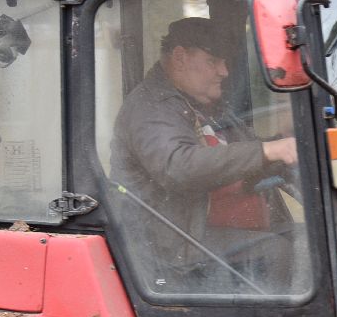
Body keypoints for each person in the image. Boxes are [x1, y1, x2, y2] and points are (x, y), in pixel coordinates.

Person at [110, 15, 299, 290]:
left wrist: (286, 145)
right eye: (213, 61)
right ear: (180, 57)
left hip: (203, 229)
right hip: (170, 243)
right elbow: (179, 166)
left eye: (224, 62)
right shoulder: (151, 108)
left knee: (310, 237)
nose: (224, 71)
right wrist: (266, 150)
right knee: (278, 251)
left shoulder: (205, 106)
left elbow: (244, 156)